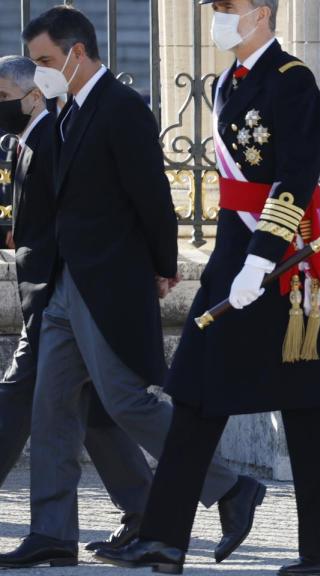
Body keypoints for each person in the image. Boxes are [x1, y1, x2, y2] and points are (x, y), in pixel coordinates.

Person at [0, 5, 263, 569]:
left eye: (45, 59)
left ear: (77, 52)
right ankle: (51, 532)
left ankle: (229, 487)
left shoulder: (121, 108)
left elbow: (152, 195)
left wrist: (164, 264)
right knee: (52, 409)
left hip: (107, 281)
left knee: (125, 401)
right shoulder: (67, 109)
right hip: (64, 283)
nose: (40, 72)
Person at [97, 1, 320, 574]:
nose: (218, 17)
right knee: (194, 391)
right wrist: (240, 260)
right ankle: (164, 539)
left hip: (286, 262)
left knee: (307, 406)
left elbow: (296, 175)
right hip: (233, 255)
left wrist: (261, 260)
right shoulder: (229, 83)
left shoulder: (292, 80)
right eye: (214, 8)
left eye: (228, 7)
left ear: (261, 13)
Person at [0, 54, 154, 566]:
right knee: (90, 412)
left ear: (33, 97)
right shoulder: (30, 138)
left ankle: (220, 485)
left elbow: (77, 222)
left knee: (22, 397)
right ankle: (144, 509)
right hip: (53, 298)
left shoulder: (54, 137)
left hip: (59, 296)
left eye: (2, 96)